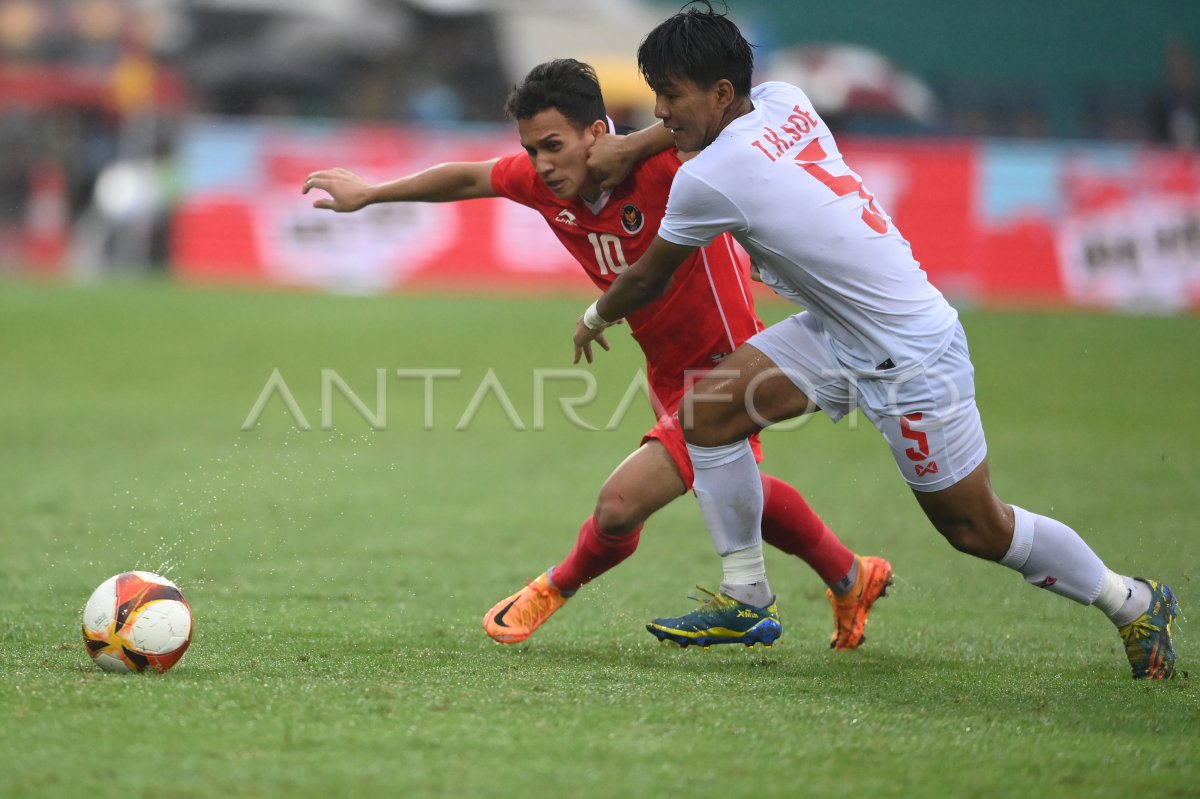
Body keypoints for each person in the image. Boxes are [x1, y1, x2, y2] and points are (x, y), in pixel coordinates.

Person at [572, 4, 1179, 679]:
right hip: (841, 329)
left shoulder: (708, 179)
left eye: (671, 95)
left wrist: (595, 317)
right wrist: (635, 143)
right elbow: (696, 127)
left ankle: (1134, 601)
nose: (660, 109)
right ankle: (745, 595)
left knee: (976, 527)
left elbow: (649, 277)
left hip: (910, 351)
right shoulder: (782, 97)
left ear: (719, 93)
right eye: (655, 92)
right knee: (708, 413)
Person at [304, 58, 894, 650]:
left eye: (554, 146)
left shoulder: (668, 166)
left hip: (734, 364)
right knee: (744, 493)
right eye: (532, 150)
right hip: (667, 370)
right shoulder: (542, 183)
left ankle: (552, 587)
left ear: (596, 132)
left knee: (618, 505)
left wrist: (636, 144)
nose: (542, 165)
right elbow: (468, 178)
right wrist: (372, 194)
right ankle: (852, 575)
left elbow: (734, 113)